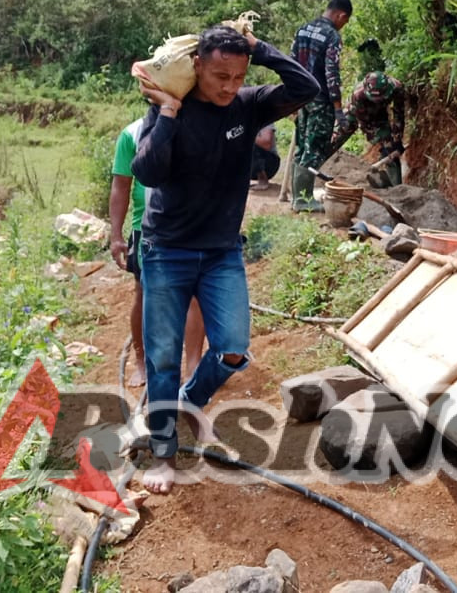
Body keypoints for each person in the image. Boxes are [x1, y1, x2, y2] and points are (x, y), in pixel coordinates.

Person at [132, 24, 318, 493]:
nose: (230, 86)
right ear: (197, 65)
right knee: (163, 357)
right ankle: (163, 454)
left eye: (238, 76)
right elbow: (147, 171)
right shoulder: (169, 106)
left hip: (221, 253)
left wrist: (260, 49)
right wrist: (168, 111)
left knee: (233, 348)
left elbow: (306, 88)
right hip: (166, 250)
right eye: (220, 76)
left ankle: (189, 402)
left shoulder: (248, 105)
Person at [108, 117, 206, 387]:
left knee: (195, 294)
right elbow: (121, 185)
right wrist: (116, 235)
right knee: (143, 293)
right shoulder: (132, 134)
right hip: (147, 229)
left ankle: (193, 368)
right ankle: (141, 362)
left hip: (191, 225)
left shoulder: (200, 123)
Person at [288, 0, 353, 211]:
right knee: (314, 149)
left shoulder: (303, 30)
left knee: (302, 147)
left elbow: (290, 64)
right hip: (320, 100)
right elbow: (331, 73)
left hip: (301, 99)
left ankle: (297, 197)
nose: (343, 26)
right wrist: (338, 108)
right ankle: (303, 200)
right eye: (345, 21)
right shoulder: (331, 36)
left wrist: (291, 98)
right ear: (341, 15)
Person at [327, 39, 407, 188]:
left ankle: (397, 188)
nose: (378, 100)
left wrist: (397, 139)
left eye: (380, 97)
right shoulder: (358, 95)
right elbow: (364, 122)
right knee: (335, 138)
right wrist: (374, 137)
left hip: (380, 115)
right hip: (355, 113)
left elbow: (398, 114)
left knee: (390, 148)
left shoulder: (397, 88)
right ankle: (313, 167)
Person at [250, 123, 281, 190]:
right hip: (250, 169)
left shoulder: (266, 119)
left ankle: (263, 181)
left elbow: (266, 143)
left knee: (250, 144)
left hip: (269, 165)